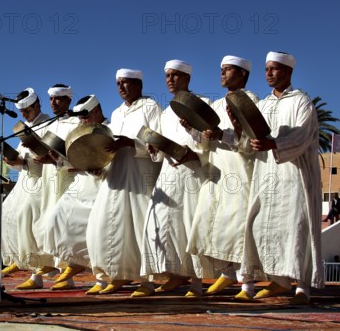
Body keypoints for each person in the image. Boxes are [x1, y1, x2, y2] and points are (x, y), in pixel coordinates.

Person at [239, 51, 323, 304]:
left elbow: (300, 137)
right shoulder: (262, 105)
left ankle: (302, 289)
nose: (269, 73)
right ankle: (254, 284)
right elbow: (247, 142)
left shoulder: (301, 102)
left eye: (274, 69)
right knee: (257, 227)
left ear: (288, 72)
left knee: (296, 229)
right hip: (266, 177)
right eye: (266, 69)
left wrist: (273, 144)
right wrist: (237, 129)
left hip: (293, 177)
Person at [186, 55, 259, 298]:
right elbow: (205, 144)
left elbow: (251, 143)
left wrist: (226, 136)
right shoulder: (216, 106)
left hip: (240, 173)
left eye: (228, 70)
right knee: (212, 223)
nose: (222, 74)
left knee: (239, 228)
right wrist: (193, 129)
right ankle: (227, 274)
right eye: (221, 70)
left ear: (242, 75)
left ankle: (246, 283)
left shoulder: (252, 101)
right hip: (217, 173)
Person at [86, 69, 163, 295]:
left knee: (139, 227)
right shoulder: (117, 113)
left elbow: (157, 143)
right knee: (105, 227)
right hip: (116, 178)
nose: (121, 87)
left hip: (140, 176)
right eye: (118, 83)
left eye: (126, 83)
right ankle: (118, 274)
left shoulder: (151, 107)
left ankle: (146, 281)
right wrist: (98, 164)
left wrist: (132, 143)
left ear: (138, 84)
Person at [141, 60, 207, 298]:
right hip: (168, 174)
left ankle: (197, 282)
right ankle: (175, 274)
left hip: (191, 172)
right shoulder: (167, 112)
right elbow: (161, 150)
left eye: (175, 76)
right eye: (167, 76)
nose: (170, 80)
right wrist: (153, 147)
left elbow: (208, 140)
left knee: (189, 226)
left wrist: (194, 149)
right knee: (163, 225)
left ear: (187, 79)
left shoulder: (202, 103)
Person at [15, 84, 79, 289]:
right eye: (52, 98)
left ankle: (77, 275)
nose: (54, 103)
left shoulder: (76, 122)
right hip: (50, 180)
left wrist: (56, 160)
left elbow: (79, 154)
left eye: (58, 99)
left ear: (69, 100)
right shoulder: (51, 124)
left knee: (65, 228)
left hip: (69, 181)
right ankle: (48, 275)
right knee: (47, 228)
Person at [43, 95, 109, 290]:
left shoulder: (111, 128)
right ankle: (73, 264)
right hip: (81, 183)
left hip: (104, 185)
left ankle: (101, 279)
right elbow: (76, 161)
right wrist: (60, 160)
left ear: (97, 110)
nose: (82, 120)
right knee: (57, 219)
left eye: (85, 116)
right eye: (80, 117)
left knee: (95, 230)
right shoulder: (80, 130)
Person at [0, 88, 50, 276]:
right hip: (24, 181)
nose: (24, 114)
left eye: (27, 110)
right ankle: (16, 259)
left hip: (42, 181)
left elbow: (49, 158)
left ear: (37, 105)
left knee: (24, 215)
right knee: (2, 216)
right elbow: (21, 162)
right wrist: (13, 161)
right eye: (22, 112)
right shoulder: (24, 127)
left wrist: (24, 162)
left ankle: (38, 265)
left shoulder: (48, 124)